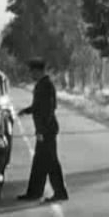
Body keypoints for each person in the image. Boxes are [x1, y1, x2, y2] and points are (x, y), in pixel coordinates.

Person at [17, 58, 69, 203]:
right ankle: (34, 192)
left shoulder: (46, 86)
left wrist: (41, 131)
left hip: (47, 130)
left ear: (38, 71)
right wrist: (25, 111)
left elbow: (47, 110)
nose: (31, 74)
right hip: (46, 129)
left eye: (32, 71)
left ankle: (59, 192)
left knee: (50, 162)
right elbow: (38, 106)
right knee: (40, 162)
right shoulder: (43, 85)